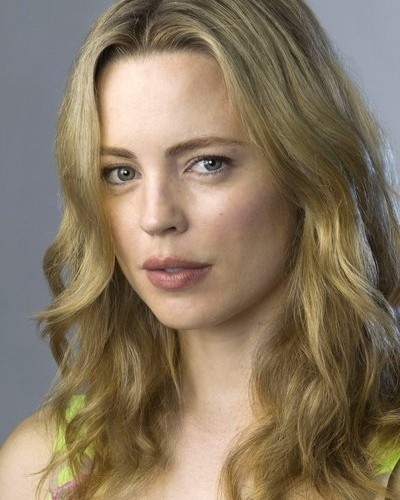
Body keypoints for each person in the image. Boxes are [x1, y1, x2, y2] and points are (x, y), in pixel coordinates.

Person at [1, 0, 400, 498]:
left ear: (305, 170)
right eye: (121, 173)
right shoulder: (39, 468)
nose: (156, 217)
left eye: (207, 164)